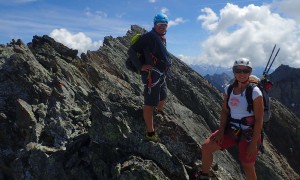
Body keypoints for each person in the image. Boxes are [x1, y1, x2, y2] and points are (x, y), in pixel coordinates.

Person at [195, 58, 264, 180]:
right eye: (238, 70)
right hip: (231, 129)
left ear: (250, 72)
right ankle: (204, 175)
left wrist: (254, 143)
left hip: (249, 134)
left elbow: (259, 120)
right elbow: (225, 111)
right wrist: (221, 131)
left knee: (247, 165)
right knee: (206, 147)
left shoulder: (255, 92)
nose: (242, 74)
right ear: (234, 72)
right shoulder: (229, 89)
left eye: (245, 71)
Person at [127, 13, 172, 142]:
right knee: (149, 104)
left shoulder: (161, 37)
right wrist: (140, 66)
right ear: (155, 25)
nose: (162, 27)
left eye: (164, 25)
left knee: (163, 97)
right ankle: (150, 132)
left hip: (161, 74)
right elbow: (131, 51)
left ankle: (155, 114)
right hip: (151, 76)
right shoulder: (148, 37)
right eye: (160, 25)